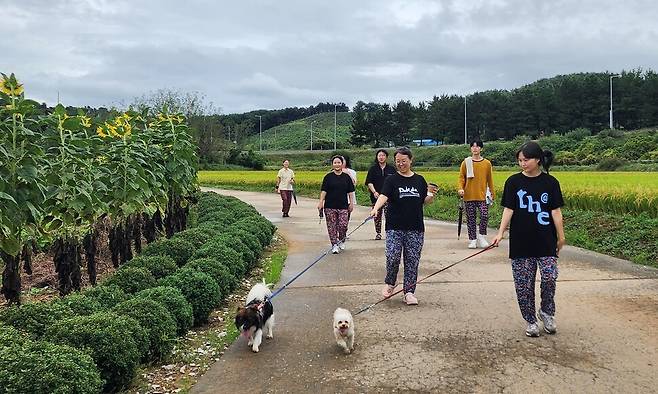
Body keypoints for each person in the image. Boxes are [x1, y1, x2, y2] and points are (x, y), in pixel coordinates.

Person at [492, 141, 565, 338]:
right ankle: (530, 320)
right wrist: (500, 232)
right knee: (524, 285)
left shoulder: (550, 183)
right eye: (520, 160)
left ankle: (547, 312)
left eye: (526, 160)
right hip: (521, 241)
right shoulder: (513, 182)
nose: (522, 163)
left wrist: (561, 236)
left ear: (538, 160)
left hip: (546, 240)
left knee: (550, 278)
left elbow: (555, 211)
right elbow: (509, 209)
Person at [370, 147, 438, 306]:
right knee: (392, 256)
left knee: (412, 260)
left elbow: (424, 200)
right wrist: (375, 208)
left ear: (410, 160)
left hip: (415, 227)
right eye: (398, 161)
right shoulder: (391, 180)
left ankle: (409, 292)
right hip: (394, 226)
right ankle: (390, 283)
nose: (401, 164)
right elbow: (383, 196)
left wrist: (431, 195)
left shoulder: (419, 180)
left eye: (404, 161)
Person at [458, 139, 495, 249]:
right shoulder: (466, 162)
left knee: (484, 215)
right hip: (468, 195)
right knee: (471, 219)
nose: (475, 148)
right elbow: (461, 178)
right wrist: (460, 188)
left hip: (482, 195)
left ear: (481, 148)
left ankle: (481, 236)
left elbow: (490, 179)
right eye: (473, 146)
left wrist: (492, 192)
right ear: (470, 148)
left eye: (477, 146)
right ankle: (473, 239)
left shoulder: (487, 163)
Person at [318, 155, 355, 254]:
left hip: (343, 206)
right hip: (330, 206)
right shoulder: (328, 177)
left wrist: (351, 203)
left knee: (343, 225)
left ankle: (342, 239)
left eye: (339, 162)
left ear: (342, 164)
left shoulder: (346, 177)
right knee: (332, 226)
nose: (337, 164)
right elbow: (324, 191)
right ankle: (334, 244)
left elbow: (351, 191)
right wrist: (321, 202)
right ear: (332, 164)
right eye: (335, 163)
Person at [365, 149, 396, 240]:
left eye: (383, 155)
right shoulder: (373, 169)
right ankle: (378, 233)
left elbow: (395, 182)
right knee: (377, 216)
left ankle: (389, 232)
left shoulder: (391, 169)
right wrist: (374, 192)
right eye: (379, 155)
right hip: (376, 197)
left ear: (386, 157)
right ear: (377, 157)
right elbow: (369, 182)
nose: (381, 157)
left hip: (389, 198)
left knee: (389, 216)